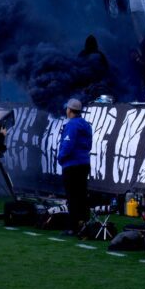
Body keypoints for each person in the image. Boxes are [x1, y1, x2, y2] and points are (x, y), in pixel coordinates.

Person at [58, 98, 93, 237]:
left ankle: (72, 227)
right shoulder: (86, 124)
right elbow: (89, 145)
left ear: (69, 110)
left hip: (72, 165)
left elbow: (67, 145)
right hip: (84, 163)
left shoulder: (72, 125)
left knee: (72, 197)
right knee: (82, 195)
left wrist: (61, 158)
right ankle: (84, 223)